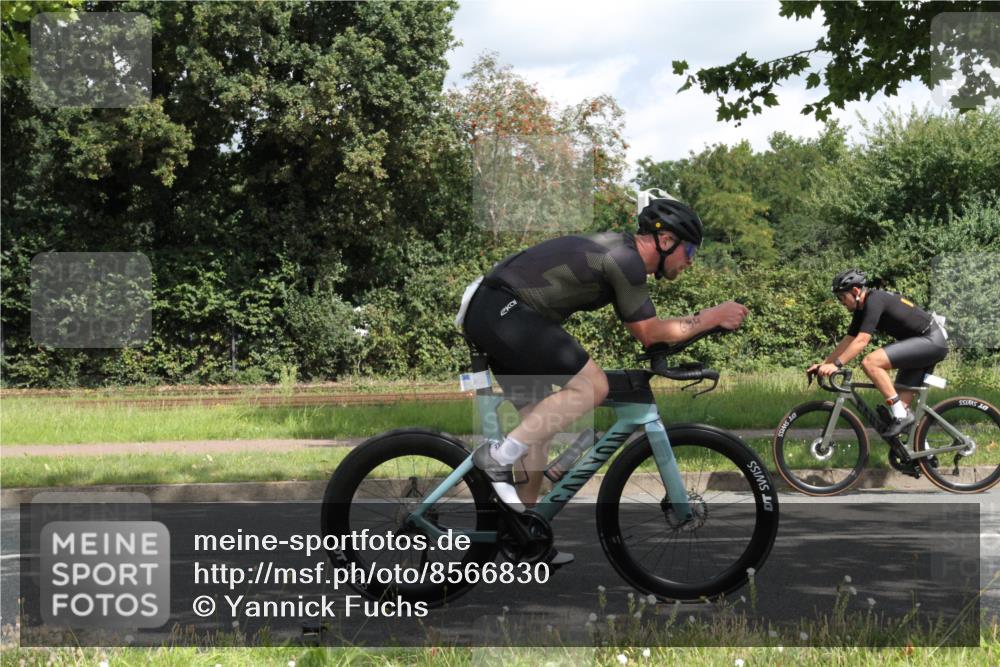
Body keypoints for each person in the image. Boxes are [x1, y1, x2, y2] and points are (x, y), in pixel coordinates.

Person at [459, 191, 749, 565]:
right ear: (665, 241)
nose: (690, 263)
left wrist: (689, 332)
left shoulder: (622, 255)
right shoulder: (626, 259)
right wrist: (710, 316)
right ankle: (497, 459)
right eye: (690, 253)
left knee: (539, 426)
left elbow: (652, 332)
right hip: (505, 309)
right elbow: (648, 331)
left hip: (497, 310)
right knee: (594, 386)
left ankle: (520, 535)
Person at [809, 268, 949, 438]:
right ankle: (920, 456)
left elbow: (861, 341)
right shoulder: (861, 309)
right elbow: (848, 341)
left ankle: (900, 414)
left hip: (931, 341)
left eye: (842, 297)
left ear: (855, 291)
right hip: (920, 344)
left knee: (870, 362)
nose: (841, 302)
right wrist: (824, 364)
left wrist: (836, 365)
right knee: (902, 414)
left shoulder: (874, 300)